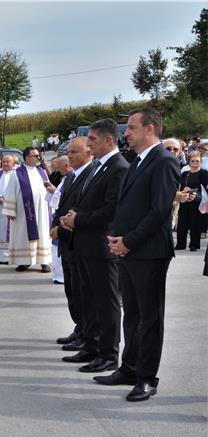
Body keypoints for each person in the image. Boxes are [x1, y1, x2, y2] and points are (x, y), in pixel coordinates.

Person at [97, 108, 180, 402]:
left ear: (150, 129)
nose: (126, 133)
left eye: (131, 127)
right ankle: (129, 367)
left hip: (149, 252)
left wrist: (128, 241)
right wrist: (117, 237)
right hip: (129, 250)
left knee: (149, 318)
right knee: (132, 314)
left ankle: (147, 377)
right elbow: (129, 206)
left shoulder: (164, 161)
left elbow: (159, 210)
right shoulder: (139, 160)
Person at [60, 120, 129, 374]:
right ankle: (91, 346)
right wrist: (72, 217)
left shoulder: (118, 167)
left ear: (108, 141)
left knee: (107, 302)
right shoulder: (100, 167)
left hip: (102, 247)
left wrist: (78, 219)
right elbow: (88, 202)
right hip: (86, 245)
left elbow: (111, 210)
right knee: (90, 299)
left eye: (92, 140)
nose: (89, 145)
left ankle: (109, 354)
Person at [51, 141, 90, 351]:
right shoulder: (72, 177)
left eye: (73, 152)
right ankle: (79, 327)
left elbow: (79, 210)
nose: (70, 155)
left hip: (76, 241)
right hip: (66, 242)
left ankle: (85, 331)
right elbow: (61, 207)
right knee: (71, 290)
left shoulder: (88, 175)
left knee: (80, 290)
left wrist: (62, 229)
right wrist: (55, 225)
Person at [3, 147, 53, 272]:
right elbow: (10, 192)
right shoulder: (17, 173)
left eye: (38, 156)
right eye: (35, 156)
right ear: (26, 158)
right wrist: (10, 211)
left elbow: (47, 189)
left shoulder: (42, 171)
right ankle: (24, 261)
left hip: (42, 210)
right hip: (23, 213)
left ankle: (44, 261)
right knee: (23, 235)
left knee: (43, 234)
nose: (38, 158)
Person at [47, 155, 73, 284]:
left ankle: (61, 276)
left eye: (59, 167)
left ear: (66, 165)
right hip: (58, 215)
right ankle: (58, 274)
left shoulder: (71, 177)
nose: (57, 170)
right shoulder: (65, 178)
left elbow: (67, 197)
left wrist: (54, 191)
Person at [175, 151, 207, 251]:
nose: (195, 163)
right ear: (189, 162)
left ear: (201, 162)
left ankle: (194, 244)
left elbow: (205, 188)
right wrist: (183, 190)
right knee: (182, 223)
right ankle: (180, 244)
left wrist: (194, 193)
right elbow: (180, 186)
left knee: (195, 223)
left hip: (196, 201)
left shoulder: (204, 173)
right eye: (192, 161)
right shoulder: (185, 173)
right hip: (185, 200)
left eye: (197, 161)